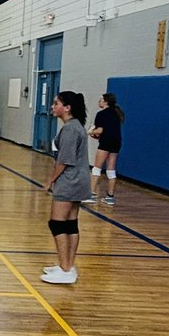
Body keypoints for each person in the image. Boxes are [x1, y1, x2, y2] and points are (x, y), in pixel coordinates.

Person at [42, 91, 89, 285]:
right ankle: (68, 266)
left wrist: (50, 181)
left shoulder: (70, 129)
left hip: (69, 181)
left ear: (67, 108)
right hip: (79, 180)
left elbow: (64, 161)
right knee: (70, 224)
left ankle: (64, 268)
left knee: (57, 223)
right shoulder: (77, 126)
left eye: (56, 103)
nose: (53, 107)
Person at [86, 91, 124, 205]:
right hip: (116, 143)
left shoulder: (101, 114)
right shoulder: (117, 113)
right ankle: (110, 197)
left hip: (106, 143)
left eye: (101, 100)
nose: (99, 101)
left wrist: (90, 131)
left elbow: (100, 131)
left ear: (106, 102)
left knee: (96, 168)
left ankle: (91, 195)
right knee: (111, 169)